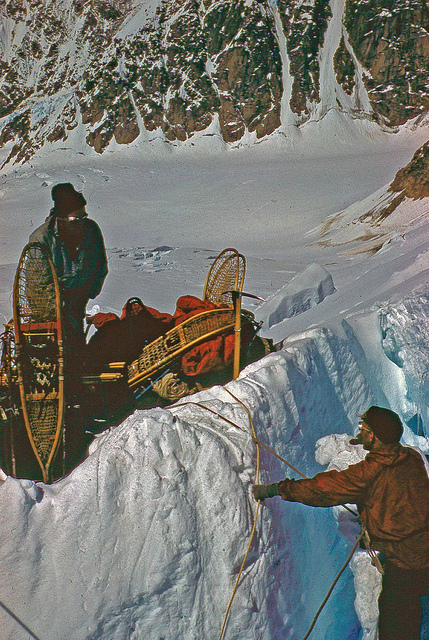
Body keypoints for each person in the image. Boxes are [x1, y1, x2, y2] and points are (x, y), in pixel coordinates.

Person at [252, 406, 429, 640]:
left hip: (406, 562)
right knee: (410, 605)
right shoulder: (412, 457)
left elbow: (321, 489)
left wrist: (276, 488)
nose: (361, 432)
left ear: (374, 436)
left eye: (363, 429)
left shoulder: (369, 473)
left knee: (396, 624)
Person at [30, 183, 108, 354]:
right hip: (52, 314)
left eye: (83, 218)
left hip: (78, 304)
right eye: (75, 220)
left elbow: (100, 266)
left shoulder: (91, 231)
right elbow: (37, 288)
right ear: (61, 217)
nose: (80, 223)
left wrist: (87, 294)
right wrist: (61, 308)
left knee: (77, 355)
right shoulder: (41, 240)